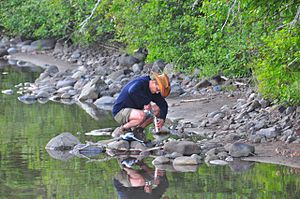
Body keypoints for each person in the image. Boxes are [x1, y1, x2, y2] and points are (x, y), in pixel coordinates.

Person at [112, 72, 171, 138]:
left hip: (134, 112)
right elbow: (132, 91)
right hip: (120, 112)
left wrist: (162, 118)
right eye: (157, 89)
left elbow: (163, 105)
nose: (157, 92)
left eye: (159, 91)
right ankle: (123, 129)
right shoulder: (142, 82)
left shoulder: (154, 93)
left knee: (158, 110)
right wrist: (146, 102)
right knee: (141, 116)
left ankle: (138, 129)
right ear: (153, 82)